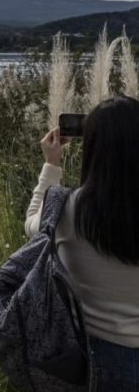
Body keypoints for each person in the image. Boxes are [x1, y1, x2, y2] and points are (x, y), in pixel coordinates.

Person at [26, 96, 139, 389]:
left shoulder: (67, 208)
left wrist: (51, 165)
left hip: (96, 354)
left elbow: (34, 227)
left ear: (92, 148)